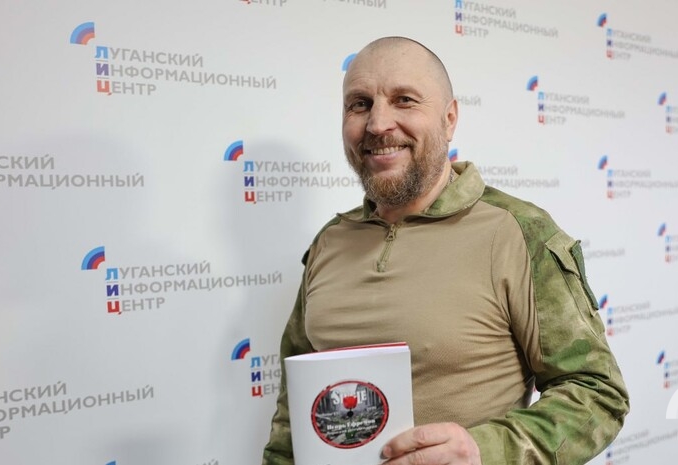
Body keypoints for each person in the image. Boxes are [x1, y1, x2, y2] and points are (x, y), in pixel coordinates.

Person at [262, 36, 629, 465]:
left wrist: (484, 451)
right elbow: (293, 416)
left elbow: (597, 393)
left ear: (449, 118)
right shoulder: (329, 241)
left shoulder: (518, 231)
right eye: (359, 104)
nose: (378, 124)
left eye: (404, 100)